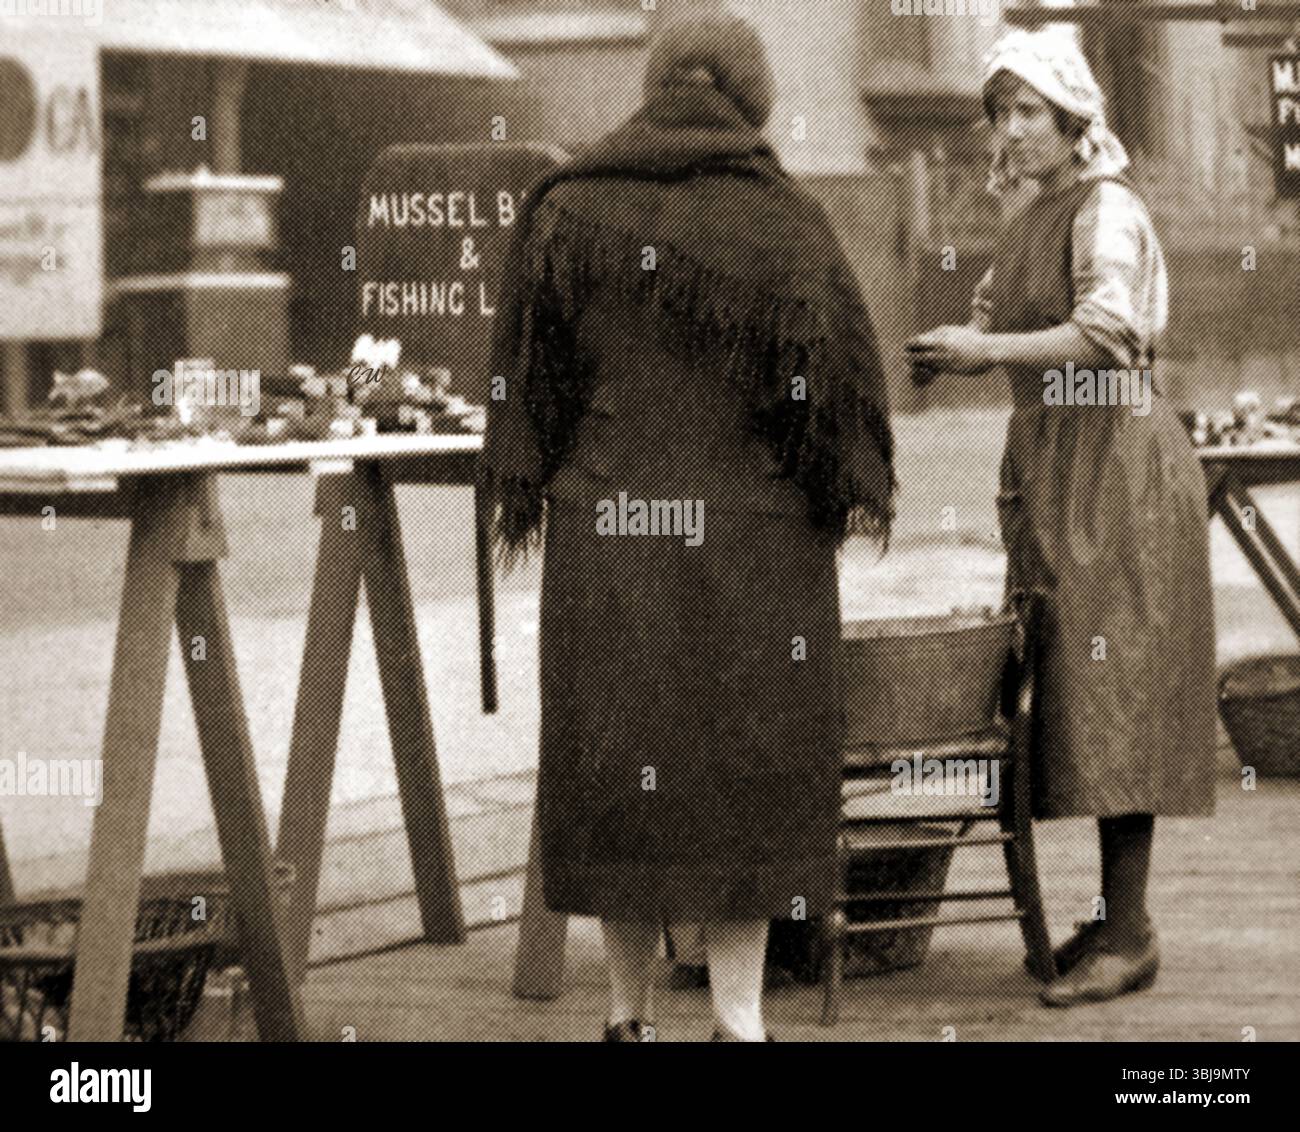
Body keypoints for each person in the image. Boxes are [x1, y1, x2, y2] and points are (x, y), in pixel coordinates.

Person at [481, 12, 895, 1041]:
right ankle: (739, 1020)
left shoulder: (568, 205)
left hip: (609, 535)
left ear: (652, 84)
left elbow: (530, 390)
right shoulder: (789, 218)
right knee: (742, 776)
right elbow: (834, 400)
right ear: (752, 98)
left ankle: (625, 1016)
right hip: (753, 550)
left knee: (621, 772)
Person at [906, 27, 1216, 1008]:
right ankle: (1119, 917)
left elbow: (1104, 335)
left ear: (1073, 116)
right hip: (1053, 461)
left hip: (1113, 464)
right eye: (999, 111)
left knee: (1114, 683)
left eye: (1027, 111)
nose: (1010, 127)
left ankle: (1129, 932)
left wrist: (977, 346)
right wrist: (964, 338)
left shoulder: (1107, 207)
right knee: (1073, 696)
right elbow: (1007, 324)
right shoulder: (1036, 210)